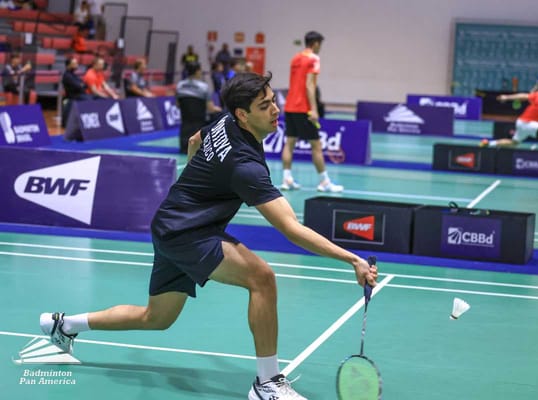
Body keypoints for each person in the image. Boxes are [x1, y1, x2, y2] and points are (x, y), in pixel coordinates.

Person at [39, 72, 378, 400]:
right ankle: (267, 383)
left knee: (155, 318)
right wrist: (353, 258)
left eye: (274, 101)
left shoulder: (224, 120)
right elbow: (291, 228)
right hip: (188, 232)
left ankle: (64, 325)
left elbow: (194, 141)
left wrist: (194, 187)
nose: (276, 110)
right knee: (263, 278)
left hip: (170, 223)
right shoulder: (245, 167)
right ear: (243, 115)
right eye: (265, 106)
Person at [282, 31, 343, 192]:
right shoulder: (314, 58)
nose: (320, 48)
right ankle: (324, 182)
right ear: (315, 43)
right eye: (320, 44)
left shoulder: (295, 58)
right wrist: (314, 109)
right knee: (316, 145)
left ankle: (286, 179)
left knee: (290, 143)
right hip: (303, 108)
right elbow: (310, 85)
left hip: (289, 106)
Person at [175, 61, 221, 154]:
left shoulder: (179, 85)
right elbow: (210, 109)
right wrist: (219, 109)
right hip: (200, 120)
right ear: (197, 71)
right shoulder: (204, 87)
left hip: (185, 119)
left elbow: (177, 105)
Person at [61, 56, 93, 125]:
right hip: (73, 96)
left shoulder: (74, 75)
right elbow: (79, 86)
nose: (77, 65)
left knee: (93, 97)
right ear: (68, 65)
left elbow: (85, 85)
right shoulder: (67, 76)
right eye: (74, 64)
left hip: (80, 95)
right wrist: (81, 85)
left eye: (76, 63)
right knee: (89, 99)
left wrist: (82, 85)